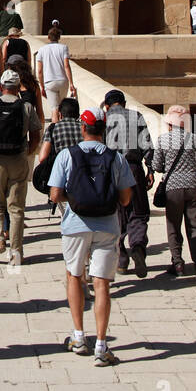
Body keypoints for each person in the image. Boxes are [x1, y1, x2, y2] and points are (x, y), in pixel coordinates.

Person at [49, 107, 135, 364]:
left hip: (75, 225)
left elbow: (54, 194)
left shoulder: (67, 155)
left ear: (83, 129)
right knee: (102, 283)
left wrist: (73, 199)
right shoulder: (116, 158)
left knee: (75, 275)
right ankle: (101, 344)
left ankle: (78, 336)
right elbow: (126, 197)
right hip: (107, 226)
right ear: (104, 130)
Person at [0, 69, 36, 264]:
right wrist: (26, 153)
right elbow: (35, 136)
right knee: (16, 208)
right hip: (18, 157)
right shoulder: (27, 106)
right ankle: (17, 253)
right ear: (19, 87)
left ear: (1, 87)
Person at [152, 105, 196, 279]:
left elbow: (156, 166)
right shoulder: (193, 139)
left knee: (173, 226)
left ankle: (177, 263)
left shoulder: (163, 140)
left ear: (170, 124)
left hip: (173, 187)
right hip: (194, 186)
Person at [102, 89, 155, 278]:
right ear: (124, 103)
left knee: (115, 214)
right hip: (133, 168)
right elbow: (147, 145)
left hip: (110, 170)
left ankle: (122, 259)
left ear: (107, 106)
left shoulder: (103, 118)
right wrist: (150, 169)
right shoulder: (136, 116)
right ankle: (138, 246)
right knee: (138, 211)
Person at [35, 24, 76, 116]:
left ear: (48, 37)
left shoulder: (42, 50)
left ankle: (55, 128)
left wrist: (42, 86)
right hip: (63, 81)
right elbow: (66, 66)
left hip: (49, 82)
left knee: (54, 109)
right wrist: (71, 83)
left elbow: (40, 71)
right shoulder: (64, 48)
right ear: (59, 37)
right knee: (62, 107)